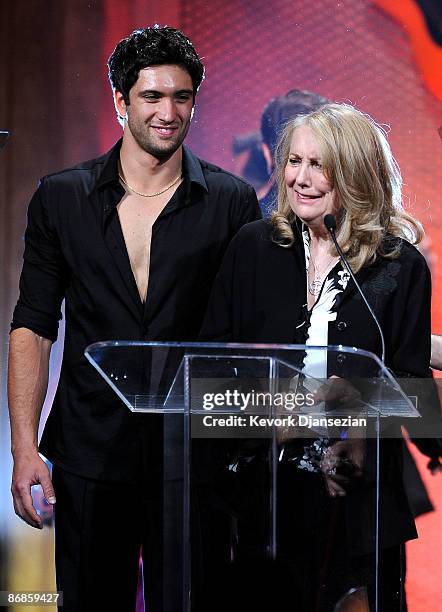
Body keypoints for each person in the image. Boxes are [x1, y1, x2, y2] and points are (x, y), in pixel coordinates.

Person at [8, 26, 261, 611]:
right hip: (91, 451)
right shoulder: (61, 197)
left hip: (194, 457)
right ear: (120, 102)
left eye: (181, 97)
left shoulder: (230, 202)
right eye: (152, 97)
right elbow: (34, 325)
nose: (168, 112)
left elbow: (252, 333)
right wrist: (25, 449)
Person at [201, 103, 442, 610]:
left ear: (354, 174)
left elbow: (413, 387)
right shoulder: (254, 247)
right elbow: (210, 366)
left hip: (358, 501)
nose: (300, 179)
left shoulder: (399, 267)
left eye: (319, 166)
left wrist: (354, 416)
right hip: (261, 496)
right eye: (294, 161)